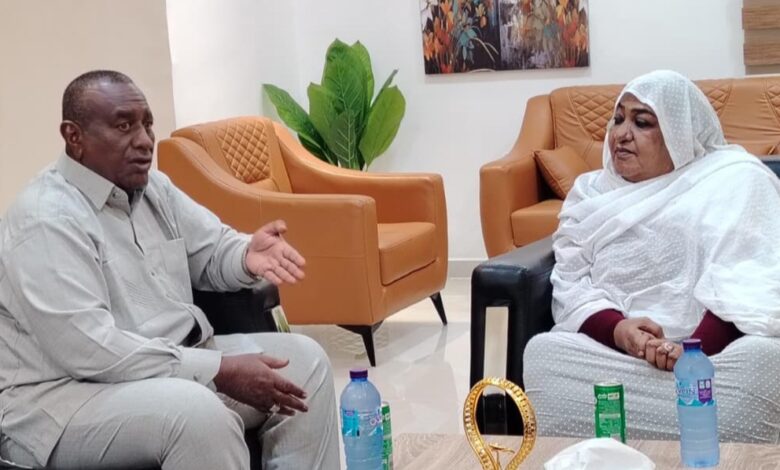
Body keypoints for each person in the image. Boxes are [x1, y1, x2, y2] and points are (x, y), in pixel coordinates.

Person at [0, 70, 340, 469]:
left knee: (305, 364)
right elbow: (90, 350)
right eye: (124, 126)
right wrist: (218, 370)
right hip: (65, 398)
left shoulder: (154, 189)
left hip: (170, 364)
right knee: (198, 416)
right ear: (74, 137)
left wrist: (246, 254)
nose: (144, 140)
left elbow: (213, 247)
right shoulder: (46, 218)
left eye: (147, 124)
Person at [524, 70, 780, 443]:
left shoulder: (736, 179)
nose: (621, 134)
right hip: (618, 352)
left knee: (762, 359)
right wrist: (618, 330)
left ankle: (622, 425)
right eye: (617, 119)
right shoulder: (591, 193)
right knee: (544, 353)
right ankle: (694, 423)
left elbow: (753, 280)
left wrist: (689, 355)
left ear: (681, 133)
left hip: (712, 356)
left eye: (642, 122)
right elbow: (571, 282)